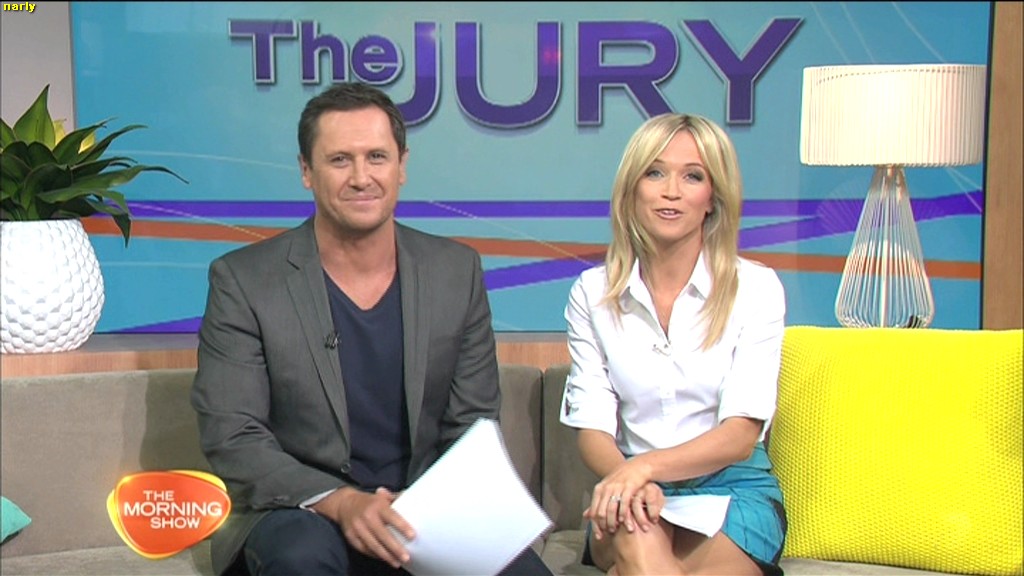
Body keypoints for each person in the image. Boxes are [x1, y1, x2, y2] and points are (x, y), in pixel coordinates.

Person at [191, 82, 552, 576]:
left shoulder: (456, 271)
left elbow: (472, 424)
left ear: (401, 165)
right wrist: (342, 502)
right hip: (299, 510)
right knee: (300, 558)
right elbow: (234, 435)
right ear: (306, 171)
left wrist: (426, 507)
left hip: (420, 511)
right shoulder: (245, 280)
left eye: (376, 157)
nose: (361, 178)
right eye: (340, 160)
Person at [559, 113, 788, 576]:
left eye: (692, 176)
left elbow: (740, 435)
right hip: (632, 491)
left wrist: (644, 467)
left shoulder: (756, 289)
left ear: (713, 197)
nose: (671, 191)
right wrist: (631, 477)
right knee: (636, 534)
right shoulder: (592, 293)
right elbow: (593, 429)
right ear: (633, 189)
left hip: (732, 492)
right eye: (655, 173)